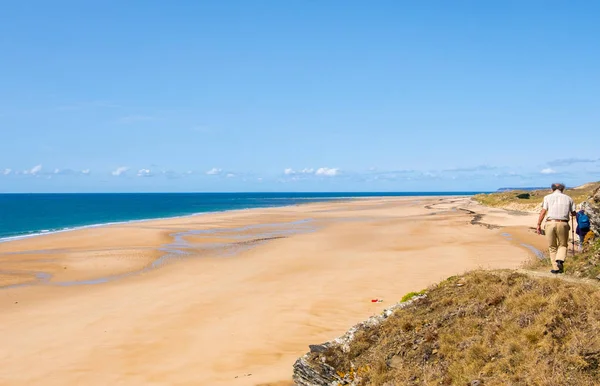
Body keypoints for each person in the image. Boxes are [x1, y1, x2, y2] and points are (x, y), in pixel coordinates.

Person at [536, 183, 576, 274]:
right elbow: (573, 213)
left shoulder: (547, 197)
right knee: (563, 244)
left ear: (552, 189)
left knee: (552, 247)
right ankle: (560, 259)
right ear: (562, 189)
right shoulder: (569, 198)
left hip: (550, 223)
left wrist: (538, 224)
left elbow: (543, 211)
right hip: (563, 223)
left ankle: (556, 268)